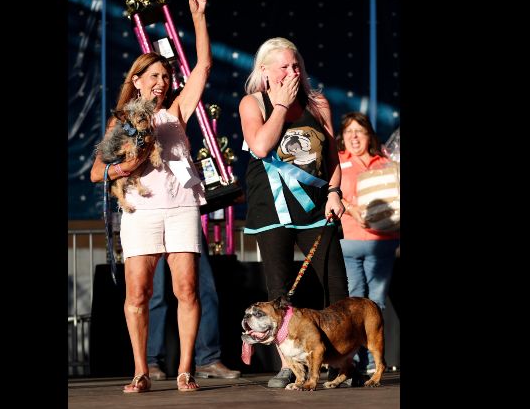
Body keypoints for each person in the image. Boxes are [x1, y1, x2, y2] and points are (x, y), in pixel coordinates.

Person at [89, 0, 210, 393]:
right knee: (138, 292)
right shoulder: (120, 121)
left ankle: (186, 369)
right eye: (155, 75)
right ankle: (141, 370)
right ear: (137, 81)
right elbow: (96, 173)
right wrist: (127, 165)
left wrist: (198, 16)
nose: (163, 81)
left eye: (167, 75)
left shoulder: (175, 111)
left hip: (180, 207)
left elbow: (204, 67)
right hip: (140, 211)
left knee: (186, 288)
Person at [238, 37, 349, 388]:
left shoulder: (317, 103)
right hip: (270, 206)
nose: (293, 71)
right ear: (265, 71)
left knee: (336, 284)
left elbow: (332, 155)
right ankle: (289, 365)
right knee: (280, 290)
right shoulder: (252, 103)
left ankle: (341, 361)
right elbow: (260, 145)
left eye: (297, 65)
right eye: (284, 66)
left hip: (317, 205)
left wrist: (334, 191)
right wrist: (281, 107)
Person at [336, 112, 400, 375]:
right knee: (355, 302)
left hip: (382, 243)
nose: (353, 137)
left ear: (369, 135)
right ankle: (355, 359)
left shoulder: (385, 162)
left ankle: (374, 361)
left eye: (359, 131)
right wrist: (352, 209)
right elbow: (331, 194)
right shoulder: (337, 162)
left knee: (377, 303)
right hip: (349, 242)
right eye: (348, 131)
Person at [146, 229, 241, 381]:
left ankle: (208, 359)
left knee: (204, 290)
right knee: (155, 293)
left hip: (185, 213)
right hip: (151, 215)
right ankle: (150, 362)